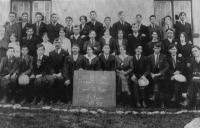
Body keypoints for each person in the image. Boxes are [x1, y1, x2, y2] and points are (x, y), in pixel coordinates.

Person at [147, 43, 169, 108]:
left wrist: (159, 73)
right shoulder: (150, 57)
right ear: (153, 49)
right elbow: (148, 67)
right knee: (156, 80)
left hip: (160, 74)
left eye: (158, 48)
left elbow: (167, 66)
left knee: (160, 80)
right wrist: (151, 73)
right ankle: (156, 99)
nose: (157, 49)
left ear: (160, 49)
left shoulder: (163, 56)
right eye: (155, 48)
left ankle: (156, 97)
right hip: (152, 74)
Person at [49, 38, 69, 103]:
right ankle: (52, 99)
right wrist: (53, 73)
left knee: (60, 80)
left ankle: (59, 99)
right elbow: (50, 65)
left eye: (59, 43)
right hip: (54, 73)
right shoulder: (51, 53)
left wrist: (61, 73)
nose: (57, 44)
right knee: (51, 80)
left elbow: (65, 65)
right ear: (54, 44)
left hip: (62, 73)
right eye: (56, 43)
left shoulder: (65, 53)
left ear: (61, 43)